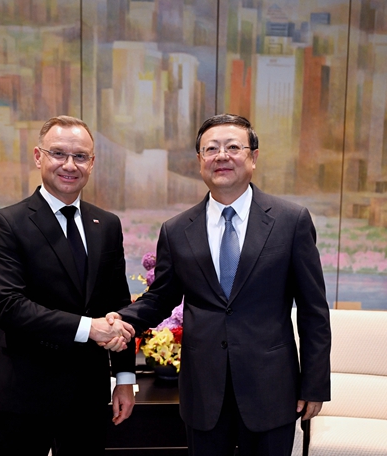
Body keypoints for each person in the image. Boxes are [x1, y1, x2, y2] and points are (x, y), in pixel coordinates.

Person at [106, 114, 331, 456]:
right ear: (200, 161)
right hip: (203, 390)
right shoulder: (177, 229)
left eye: (232, 147)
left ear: (253, 157)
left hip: (271, 387)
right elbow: (161, 298)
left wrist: (314, 383)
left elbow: (314, 310)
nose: (221, 156)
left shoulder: (291, 222)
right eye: (210, 149)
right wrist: (122, 321)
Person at [0, 115, 136, 456]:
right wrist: (89, 328)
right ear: (39, 157)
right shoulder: (8, 223)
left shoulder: (107, 224)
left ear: (92, 163)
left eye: (80, 156)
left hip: (88, 393)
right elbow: (9, 307)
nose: (69, 165)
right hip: (24, 392)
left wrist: (124, 380)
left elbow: (119, 306)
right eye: (58, 154)